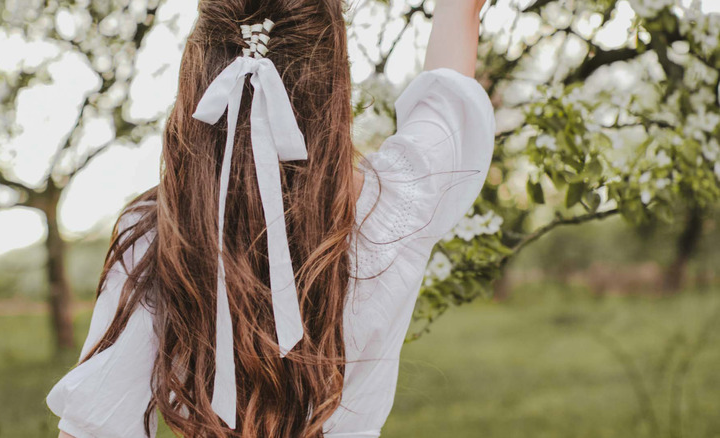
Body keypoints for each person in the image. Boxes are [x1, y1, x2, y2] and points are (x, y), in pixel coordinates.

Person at [46, 0, 493, 436]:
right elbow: (448, 92)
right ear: (334, 80)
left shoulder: (156, 234)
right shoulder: (396, 204)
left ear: (196, 71)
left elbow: (94, 427)